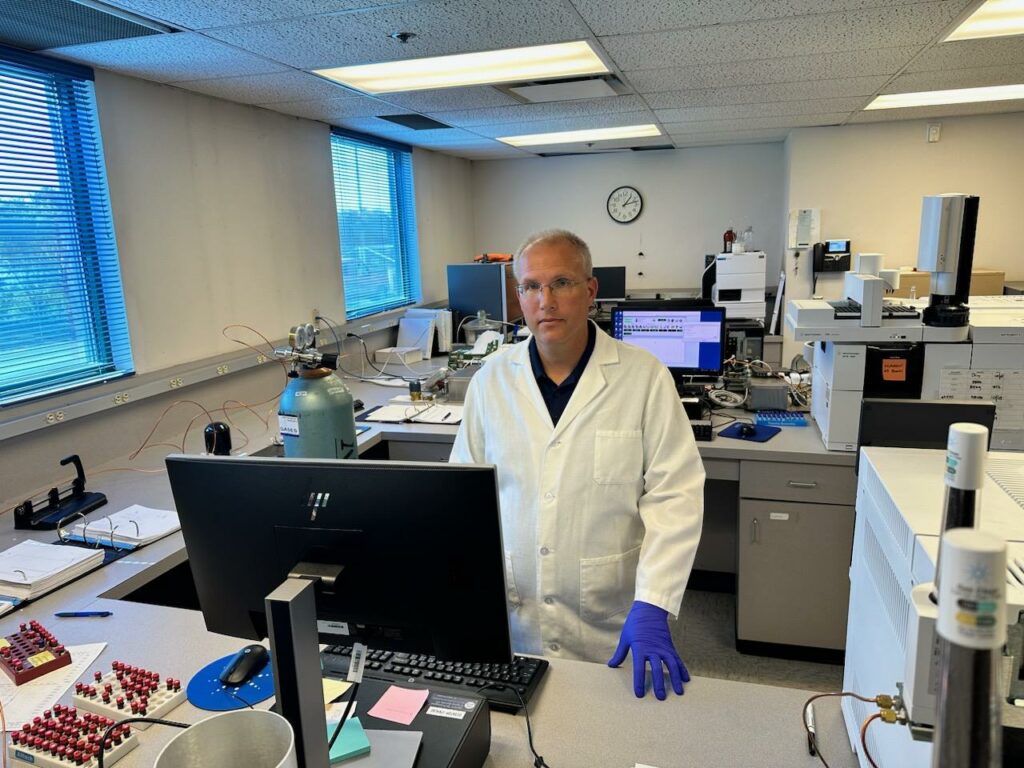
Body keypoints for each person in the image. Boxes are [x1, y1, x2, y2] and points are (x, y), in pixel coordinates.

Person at [450, 229, 705, 700]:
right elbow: (463, 497)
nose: (546, 300)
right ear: (519, 297)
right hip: (513, 616)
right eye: (531, 286)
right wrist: (464, 589)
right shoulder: (490, 382)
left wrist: (653, 603)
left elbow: (677, 496)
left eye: (562, 282)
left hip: (609, 624)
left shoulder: (644, 377)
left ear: (590, 291)